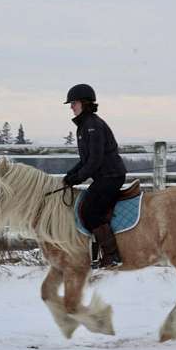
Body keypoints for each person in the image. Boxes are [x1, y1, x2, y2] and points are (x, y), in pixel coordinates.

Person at [62, 84, 127, 269]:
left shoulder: (93, 126)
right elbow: (86, 159)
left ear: (84, 103)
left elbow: (95, 160)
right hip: (103, 177)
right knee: (86, 207)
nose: (71, 107)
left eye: (73, 103)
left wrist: (78, 178)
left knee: (90, 212)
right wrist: (70, 175)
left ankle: (113, 255)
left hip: (111, 176)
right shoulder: (84, 126)